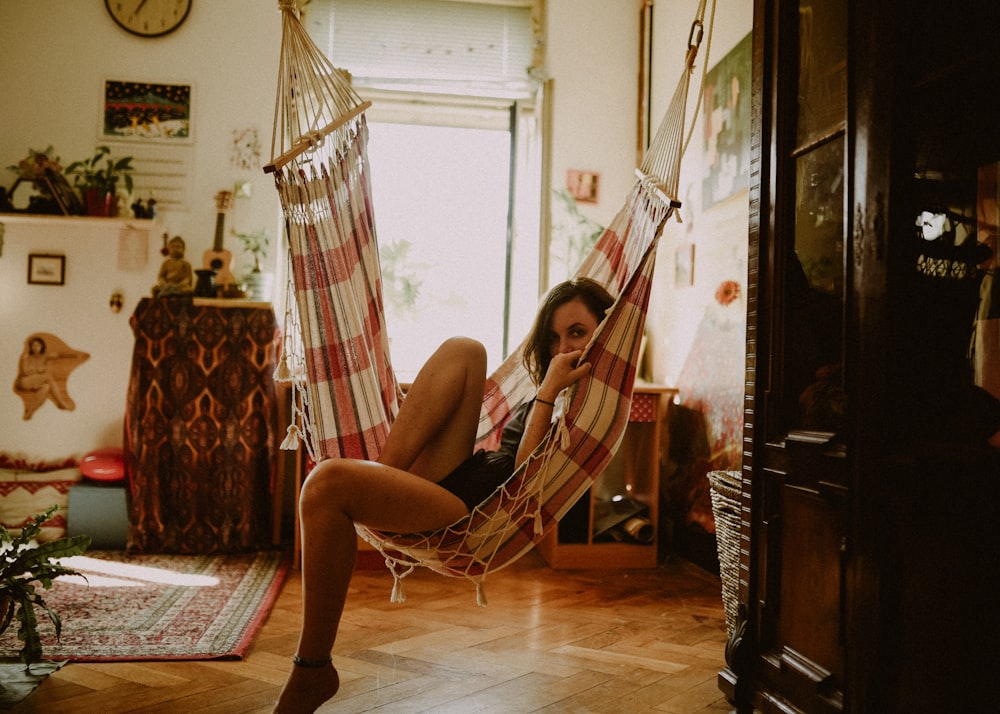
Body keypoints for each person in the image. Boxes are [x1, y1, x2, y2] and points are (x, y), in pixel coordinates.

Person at [272, 277, 615, 714]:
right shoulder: (559, 387)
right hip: (467, 475)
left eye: (577, 333)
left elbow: (524, 487)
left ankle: (312, 669)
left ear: (605, 334)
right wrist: (546, 391)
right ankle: (380, 479)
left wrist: (547, 392)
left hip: (477, 510)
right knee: (465, 348)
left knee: (325, 484)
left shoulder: (582, 399)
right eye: (553, 337)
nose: (561, 348)